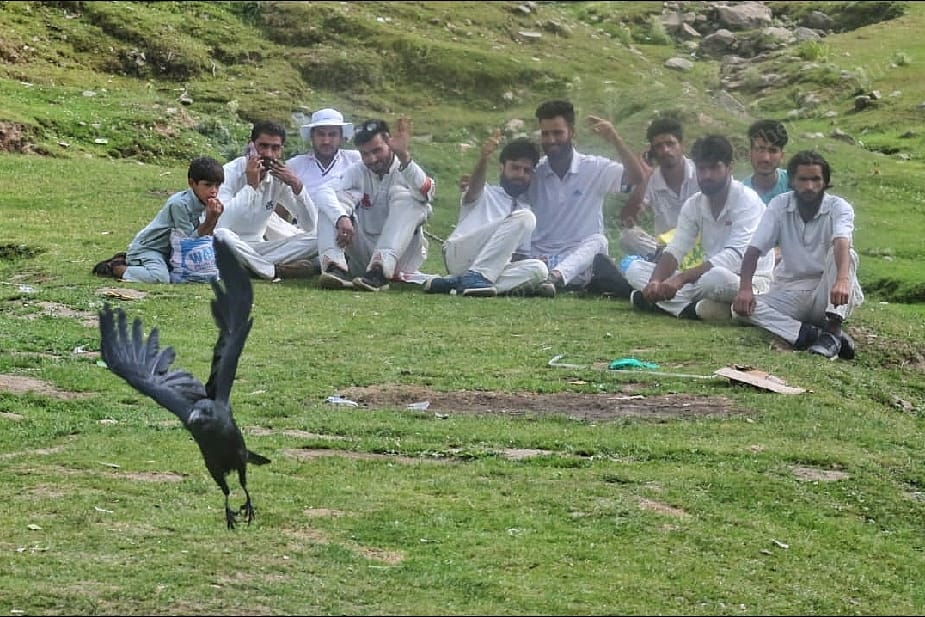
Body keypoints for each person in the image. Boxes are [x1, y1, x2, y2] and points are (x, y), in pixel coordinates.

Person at [625, 134, 775, 320]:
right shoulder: (694, 204)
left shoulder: (747, 200)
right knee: (635, 269)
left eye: (714, 168)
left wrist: (679, 280)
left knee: (715, 279)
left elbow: (735, 256)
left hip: (748, 281)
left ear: (729, 167)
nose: (706, 176)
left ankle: (678, 305)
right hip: (703, 278)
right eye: (702, 169)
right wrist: (656, 281)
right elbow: (676, 248)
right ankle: (701, 309)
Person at [733, 150, 864, 359]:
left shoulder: (839, 207)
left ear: (825, 181)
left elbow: (842, 241)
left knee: (846, 255)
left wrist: (841, 281)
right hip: (792, 291)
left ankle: (833, 328)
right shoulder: (780, 205)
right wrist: (745, 288)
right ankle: (809, 334)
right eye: (803, 179)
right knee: (740, 309)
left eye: (815, 179)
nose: (809, 186)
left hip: (829, 293)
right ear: (792, 181)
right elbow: (754, 249)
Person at [525, 99, 645, 296]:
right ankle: (550, 279)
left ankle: (554, 279)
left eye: (557, 133)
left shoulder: (594, 168)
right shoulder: (535, 171)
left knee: (599, 241)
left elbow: (636, 177)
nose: (551, 140)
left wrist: (614, 138)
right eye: (545, 134)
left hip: (580, 261)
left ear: (572, 132)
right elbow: (506, 194)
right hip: (541, 258)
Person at [313, 117, 436, 292]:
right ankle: (335, 268)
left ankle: (381, 271)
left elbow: (427, 194)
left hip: (400, 259)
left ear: (389, 142)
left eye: (377, 151)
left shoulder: (406, 169)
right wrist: (341, 218)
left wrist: (404, 155)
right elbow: (323, 191)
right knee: (332, 201)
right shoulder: (358, 171)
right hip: (363, 257)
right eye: (364, 154)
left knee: (407, 197)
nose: (371, 159)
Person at [424, 130, 548, 297]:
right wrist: (484, 158)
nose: (520, 175)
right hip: (460, 253)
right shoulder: (485, 192)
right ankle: (476, 279)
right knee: (525, 217)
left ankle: (457, 284)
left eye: (527, 171)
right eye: (515, 168)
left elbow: (516, 256)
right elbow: (474, 188)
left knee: (540, 270)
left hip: (492, 268)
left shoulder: (524, 207)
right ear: (502, 168)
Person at [213, 120, 320, 280]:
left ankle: (250, 266)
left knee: (323, 236)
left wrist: (298, 187)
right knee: (221, 235)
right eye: (263, 146)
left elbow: (310, 225)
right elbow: (223, 222)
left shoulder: (278, 179)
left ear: (281, 151)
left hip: (259, 247)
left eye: (275, 148)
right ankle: (271, 270)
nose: (268, 154)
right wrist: (251, 186)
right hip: (229, 245)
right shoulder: (228, 172)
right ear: (251, 145)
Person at [92, 156, 225, 283]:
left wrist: (213, 218)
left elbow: (204, 237)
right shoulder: (179, 204)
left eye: (217, 186)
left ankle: (132, 261)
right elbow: (189, 242)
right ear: (192, 183)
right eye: (207, 185)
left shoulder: (205, 203)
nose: (213, 191)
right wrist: (211, 219)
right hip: (151, 248)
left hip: (170, 252)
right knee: (160, 277)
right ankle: (117, 267)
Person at [265, 108, 362, 240]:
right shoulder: (295, 165)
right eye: (321, 134)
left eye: (332, 135)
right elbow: (280, 207)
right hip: (302, 233)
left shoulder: (355, 160)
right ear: (312, 136)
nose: (326, 141)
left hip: (345, 232)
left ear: (341, 137)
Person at [619, 117, 699, 260]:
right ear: (653, 151)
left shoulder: (700, 173)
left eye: (670, 144)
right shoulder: (652, 179)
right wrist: (645, 177)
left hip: (700, 244)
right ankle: (666, 263)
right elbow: (627, 218)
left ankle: (666, 266)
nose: (665, 150)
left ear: (682, 145)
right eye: (659, 146)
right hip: (665, 248)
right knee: (627, 237)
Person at [742, 119, 789, 205]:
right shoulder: (741, 192)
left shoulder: (795, 184)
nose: (766, 158)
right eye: (760, 150)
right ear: (750, 153)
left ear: (782, 155)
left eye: (773, 151)